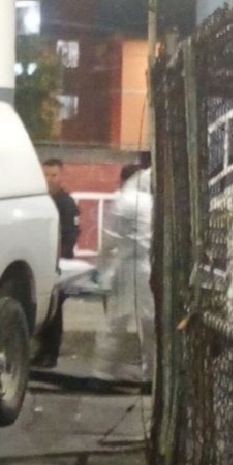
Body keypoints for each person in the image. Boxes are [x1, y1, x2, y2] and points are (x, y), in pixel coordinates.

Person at [90, 164, 155, 387]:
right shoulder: (150, 202)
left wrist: (100, 267)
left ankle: (103, 372)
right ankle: (152, 374)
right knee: (150, 323)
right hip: (147, 266)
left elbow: (109, 240)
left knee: (115, 320)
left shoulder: (125, 201)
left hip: (127, 265)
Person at [32, 157, 80, 369]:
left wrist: (61, 259)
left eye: (54, 175)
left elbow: (70, 235)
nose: (49, 179)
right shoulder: (39, 201)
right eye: (46, 175)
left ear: (61, 176)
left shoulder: (66, 203)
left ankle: (50, 353)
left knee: (55, 310)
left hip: (57, 263)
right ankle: (40, 350)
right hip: (39, 262)